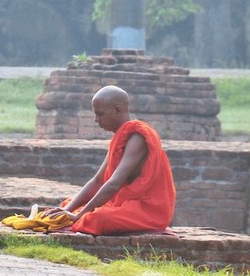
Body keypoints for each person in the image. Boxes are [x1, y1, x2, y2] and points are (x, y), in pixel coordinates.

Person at [41, 85, 176, 235]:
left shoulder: (137, 137)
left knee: (100, 219)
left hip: (148, 210)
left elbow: (113, 184)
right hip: (127, 204)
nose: (96, 120)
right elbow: (97, 181)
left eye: (100, 114)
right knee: (69, 205)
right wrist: (67, 210)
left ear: (118, 110)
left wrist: (78, 216)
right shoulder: (120, 138)